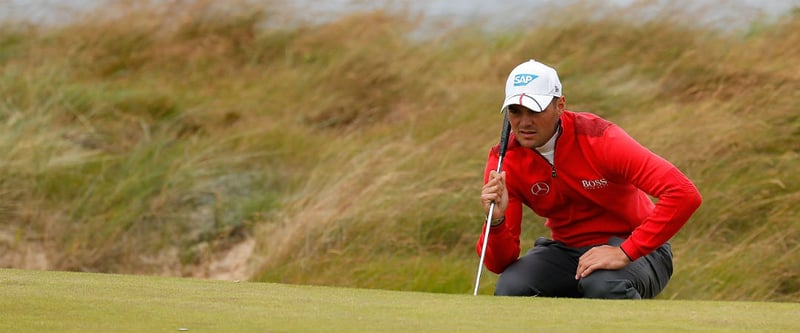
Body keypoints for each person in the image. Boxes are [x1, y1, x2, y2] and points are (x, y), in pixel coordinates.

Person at [477, 59, 702, 299]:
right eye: (515, 111)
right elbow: (499, 263)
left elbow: (683, 193)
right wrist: (497, 222)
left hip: (639, 249)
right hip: (567, 252)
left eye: (535, 110)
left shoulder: (600, 138)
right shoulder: (504, 160)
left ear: (560, 105)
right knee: (511, 288)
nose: (524, 122)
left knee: (602, 284)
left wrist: (625, 251)